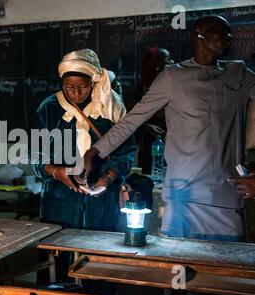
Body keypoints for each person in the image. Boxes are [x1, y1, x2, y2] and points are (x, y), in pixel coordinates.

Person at [82, 16, 255, 242]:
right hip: (182, 201)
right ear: (200, 35)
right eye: (220, 32)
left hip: (226, 202)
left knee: (226, 273)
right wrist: (95, 151)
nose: (229, 38)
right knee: (181, 268)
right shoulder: (174, 77)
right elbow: (132, 120)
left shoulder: (238, 74)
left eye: (229, 33)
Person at [30, 49, 136, 282]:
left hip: (102, 203)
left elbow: (128, 152)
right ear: (61, 83)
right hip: (59, 204)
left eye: (83, 87)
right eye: (69, 87)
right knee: (56, 265)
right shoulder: (48, 109)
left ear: (94, 81)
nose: (76, 93)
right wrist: (58, 172)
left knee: (99, 263)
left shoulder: (111, 108)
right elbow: (36, 157)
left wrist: (107, 178)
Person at [129, 47, 173, 174]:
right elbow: (130, 119)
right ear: (156, 65)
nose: (172, 62)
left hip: (174, 143)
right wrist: (147, 127)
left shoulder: (174, 85)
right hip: (152, 144)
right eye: (167, 59)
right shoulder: (142, 90)